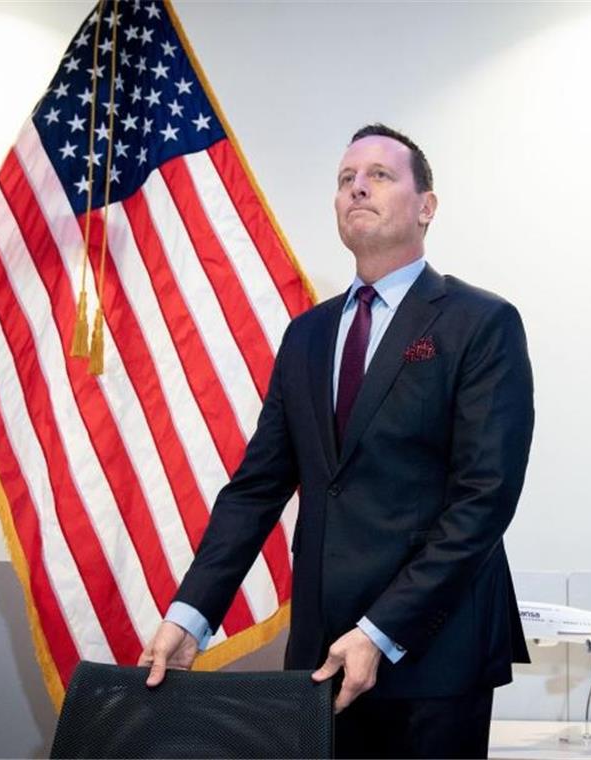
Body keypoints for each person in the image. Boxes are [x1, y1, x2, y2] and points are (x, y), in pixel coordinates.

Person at [140, 123, 535, 759]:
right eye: (346, 179)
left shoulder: (481, 323)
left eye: (379, 175)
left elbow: (482, 500)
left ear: (426, 206)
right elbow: (256, 489)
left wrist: (380, 632)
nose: (358, 187)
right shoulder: (307, 335)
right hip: (321, 654)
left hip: (434, 652)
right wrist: (191, 615)